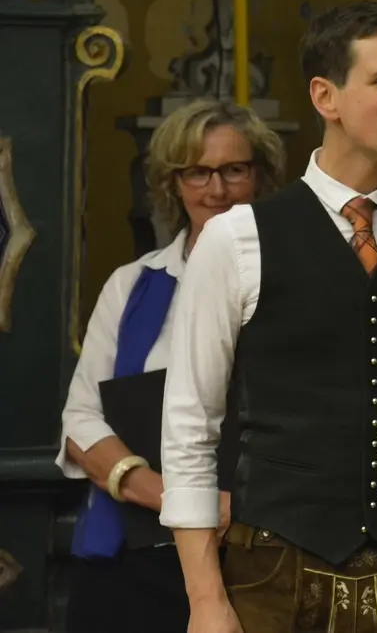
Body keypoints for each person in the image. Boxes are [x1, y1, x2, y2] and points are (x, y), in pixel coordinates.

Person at [158, 2, 377, 633]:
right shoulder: (236, 240)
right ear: (326, 96)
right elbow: (190, 425)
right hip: (273, 574)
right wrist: (205, 600)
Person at [57, 99, 283, 633]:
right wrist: (179, 499)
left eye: (234, 170)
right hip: (135, 559)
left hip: (263, 558)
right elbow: (81, 423)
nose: (217, 190)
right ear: (173, 184)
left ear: (261, 177)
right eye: (197, 172)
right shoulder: (133, 285)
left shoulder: (297, 283)